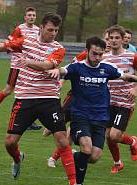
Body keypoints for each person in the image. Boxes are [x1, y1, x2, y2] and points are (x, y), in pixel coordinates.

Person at [0, 12, 85, 185]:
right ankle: (18, 159)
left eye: (56, 30)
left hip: (49, 99)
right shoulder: (25, 41)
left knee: (62, 139)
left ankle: (74, 184)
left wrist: (28, 62)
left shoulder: (58, 48)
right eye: (50, 29)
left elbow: (47, 65)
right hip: (25, 99)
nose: (53, 33)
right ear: (41, 28)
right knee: (10, 143)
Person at [46, 36, 137, 185]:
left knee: (94, 157)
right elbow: (64, 71)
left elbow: (125, 76)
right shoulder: (77, 67)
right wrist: (56, 70)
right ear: (87, 51)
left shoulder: (106, 67)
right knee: (87, 147)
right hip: (80, 116)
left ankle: (72, 156)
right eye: (95, 53)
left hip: (101, 118)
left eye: (101, 54)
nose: (98, 57)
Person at [45, 29, 111, 168]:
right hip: (77, 97)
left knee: (73, 131)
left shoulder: (113, 59)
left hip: (96, 104)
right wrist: (61, 83)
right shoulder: (87, 55)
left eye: (111, 39)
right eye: (108, 38)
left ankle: (56, 157)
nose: (110, 41)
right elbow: (71, 69)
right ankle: (52, 131)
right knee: (64, 122)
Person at [0, 7, 42, 131]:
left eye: (33, 15)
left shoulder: (38, 30)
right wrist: (12, 50)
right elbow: (8, 44)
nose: (31, 17)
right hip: (17, 65)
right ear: (25, 17)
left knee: (30, 92)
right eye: (29, 15)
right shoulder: (19, 29)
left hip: (30, 65)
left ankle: (28, 121)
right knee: (8, 90)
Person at [103, 25, 137, 174]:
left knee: (114, 135)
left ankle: (132, 141)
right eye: (111, 38)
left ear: (123, 39)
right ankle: (117, 163)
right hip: (107, 102)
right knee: (108, 136)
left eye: (117, 38)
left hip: (125, 102)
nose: (114, 40)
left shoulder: (132, 57)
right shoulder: (104, 58)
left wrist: (136, 89)